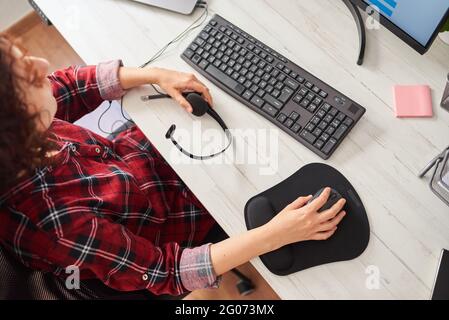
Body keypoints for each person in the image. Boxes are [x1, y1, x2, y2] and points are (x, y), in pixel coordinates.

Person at [0, 34, 346, 296]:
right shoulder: (57, 224)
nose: (44, 66)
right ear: (15, 124)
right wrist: (277, 234)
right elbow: (167, 271)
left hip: (149, 160)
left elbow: (69, 86)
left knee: (255, 119)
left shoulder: (17, 136)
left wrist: (157, 75)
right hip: (178, 221)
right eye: (30, 77)